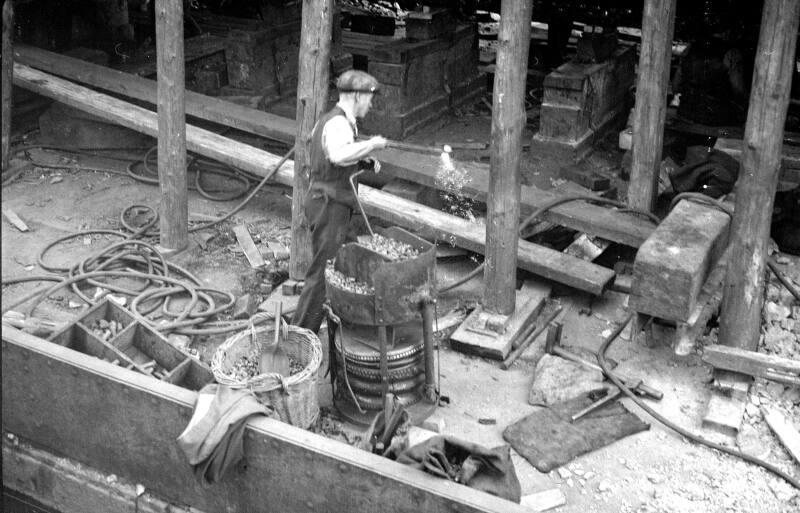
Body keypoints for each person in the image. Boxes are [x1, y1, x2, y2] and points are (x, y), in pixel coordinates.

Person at [291, 70, 388, 333]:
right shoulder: (337, 123)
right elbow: (336, 154)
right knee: (323, 272)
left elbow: (334, 154)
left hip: (332, 204)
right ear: (357, 96)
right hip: (327, 205)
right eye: (368, 98)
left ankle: (337, 319)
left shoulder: (338, 121)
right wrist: (370, 145)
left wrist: (362, 160)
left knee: (338, 263)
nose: (371, 104)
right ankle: (300, 335)